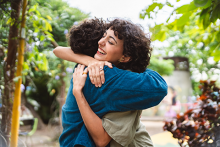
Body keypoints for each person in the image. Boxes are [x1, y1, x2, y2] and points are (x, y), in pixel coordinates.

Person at [53, 18, 167, 147]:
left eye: (110, 42)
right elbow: (159, 87)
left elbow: (58, 50)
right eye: (103, 36)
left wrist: (90, 61)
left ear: (125, 57)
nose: (101, 42)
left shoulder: (93, 68)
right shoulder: (104, 75)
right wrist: (93, 62)